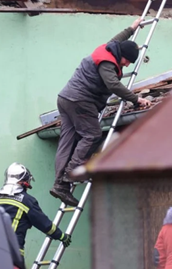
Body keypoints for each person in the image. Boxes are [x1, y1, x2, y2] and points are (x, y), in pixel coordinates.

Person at [50, 19, 152, 206]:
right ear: (122, 55)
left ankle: (59, 186)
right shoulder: (107, 64)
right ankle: (71, 173)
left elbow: (118, 39)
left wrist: (132, 27)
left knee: (67, 141)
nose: (127, 65)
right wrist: (137, 99)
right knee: (92, 134)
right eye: (127, 61)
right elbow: (113, 84)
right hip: (80, 101)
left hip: (65, 98)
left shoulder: (109, 48)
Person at [0, 163, 71, 259]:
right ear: (24, 182)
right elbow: (43, 223)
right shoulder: (26, 201)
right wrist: (61, 236)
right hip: (12, 252)